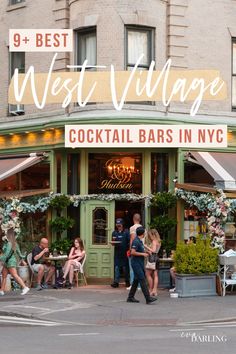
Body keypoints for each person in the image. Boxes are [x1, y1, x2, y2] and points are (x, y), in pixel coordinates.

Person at [127, 226, 157, 305]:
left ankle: (130, 297)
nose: (146, 233)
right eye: (145, 232)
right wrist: (143, 254)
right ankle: (148, 298)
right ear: (142, 233)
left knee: (136, 280)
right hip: (136, 263)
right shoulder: (136, 241)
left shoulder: (139, 241)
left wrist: (147, 252)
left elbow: (141, 249)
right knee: (142, 279)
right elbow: (132, 252)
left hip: (139, 263)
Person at [0, 228, 30, 296]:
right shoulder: (15, 243)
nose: (6, 235)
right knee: (4, 275)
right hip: (10, 261)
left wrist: (0, 258)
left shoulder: (9, 244)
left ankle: (25, 287)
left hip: (9, 261)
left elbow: (6, 254)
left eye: (7, 234)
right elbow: (20, 254)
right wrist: (23, 256)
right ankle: (1, 290)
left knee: (15, 275)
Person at [110, 218, 130, 288]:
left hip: (125, 253)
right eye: (117, 225)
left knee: (125, 268)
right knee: (116, 268)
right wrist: (113, 243)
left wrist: (129, 250)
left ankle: (127, 281)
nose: (118, 226)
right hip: (117, 253)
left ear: (122, 224)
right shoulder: (114, 233)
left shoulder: (127, 232)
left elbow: (129, 242)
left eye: (120, 225)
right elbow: (113, 241)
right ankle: (116, 282)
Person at [127, 213, 144, 290]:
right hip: (141, 248)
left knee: (132, 268)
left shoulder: (132, 228)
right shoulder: (143, 228)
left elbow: (132, 239)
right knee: (140, 267)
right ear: (140, 219)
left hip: (135, 249)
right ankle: (140, 285)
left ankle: (132, 284)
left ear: (133, 219)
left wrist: (130, 250)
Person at [145, 229, 161, 296]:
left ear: (153, 235)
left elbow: (153, 250)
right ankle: (155, 290)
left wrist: (146, 247)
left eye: (150, 235)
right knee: (155, 275)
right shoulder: (159, 241)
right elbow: (156, 251)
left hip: (152, 258)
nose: (149, 237)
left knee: (148, 274)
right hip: (156, 258)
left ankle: (151, 289)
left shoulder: (154, 241)